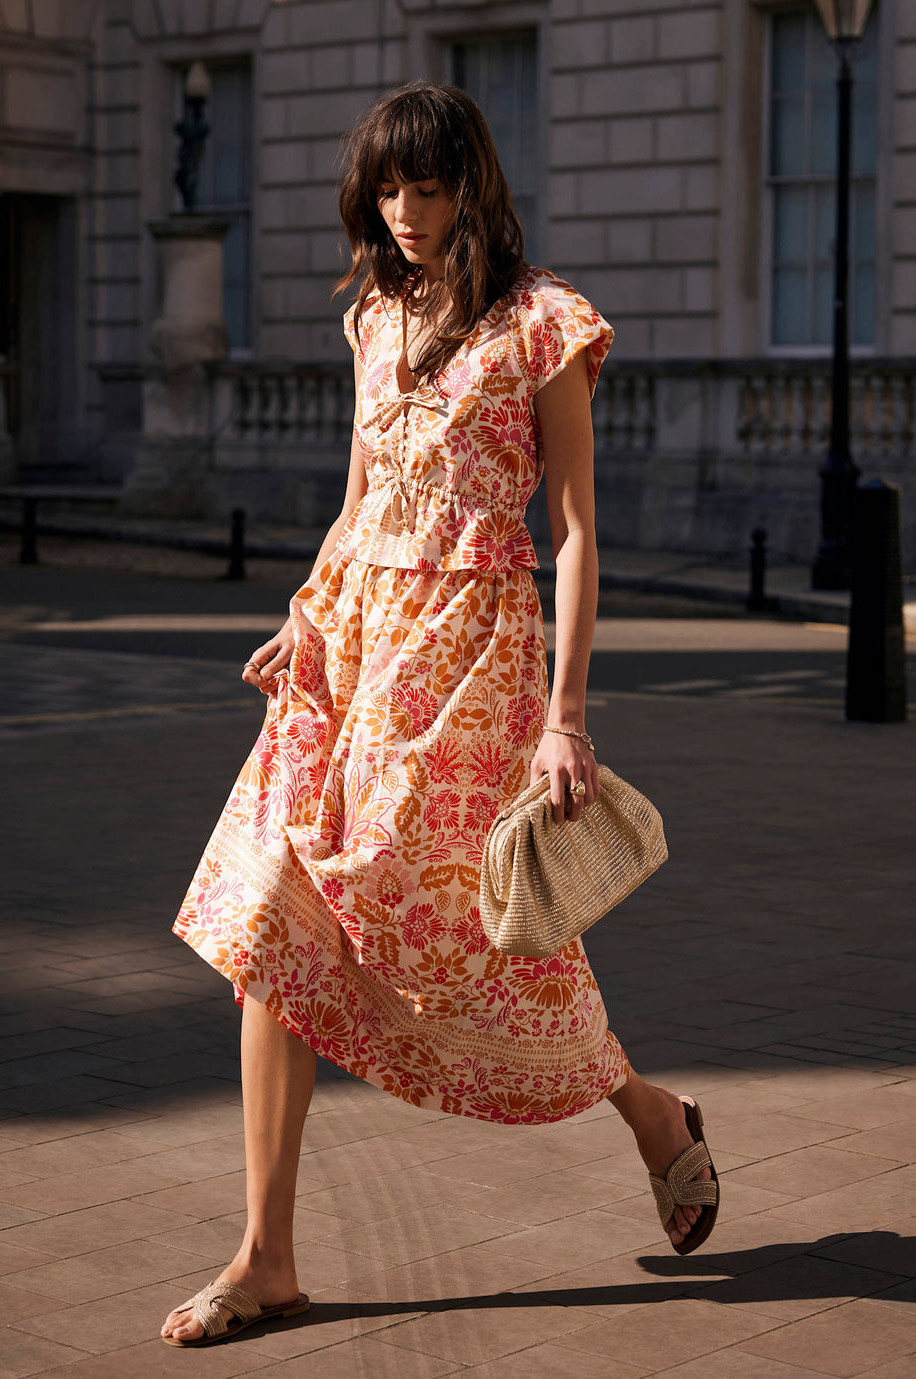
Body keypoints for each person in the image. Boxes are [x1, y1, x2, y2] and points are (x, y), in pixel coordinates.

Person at [161, 81, 718, 1349]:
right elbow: (359, 499)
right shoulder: (371, 319)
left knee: (474, 949)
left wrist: (565, 716)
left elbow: (574, 534)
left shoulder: (542, 325)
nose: (406, 212)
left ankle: (645, 1109)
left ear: (473, 185)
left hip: (471, 667)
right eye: (388, 189)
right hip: (352, 656)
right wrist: (307, 609)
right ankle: (268, 1254)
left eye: (429, 185)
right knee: (274, 919)